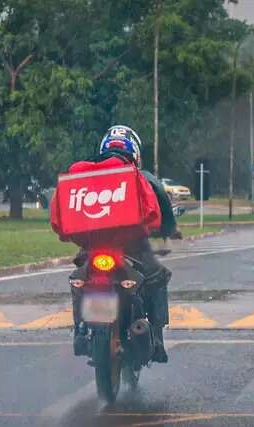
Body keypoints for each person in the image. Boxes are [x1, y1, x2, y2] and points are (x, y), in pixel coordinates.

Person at [72, 125, 177, 363]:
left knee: (79, 277)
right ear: (136, 154)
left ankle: (79, 328)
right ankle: (157, 339)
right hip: (133, 249)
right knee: (158, 277)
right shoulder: (144, 177)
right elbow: (161, 209)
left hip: (92, 246)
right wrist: (170, 229)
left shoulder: (88, 175)